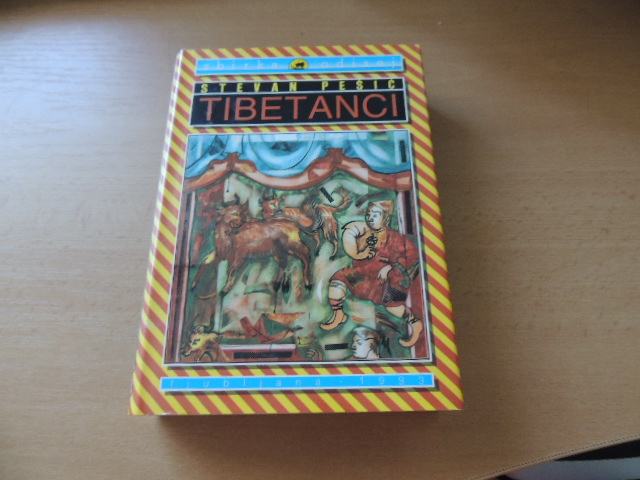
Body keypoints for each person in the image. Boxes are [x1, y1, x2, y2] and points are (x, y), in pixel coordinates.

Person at [320, 200, 424, 348]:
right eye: (368, 214)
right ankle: (338, 314)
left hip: (389, 277)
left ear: (385, 218)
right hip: (367, 273)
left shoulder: (395, 238)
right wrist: (360, 251)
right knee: (338, 278)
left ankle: (414, 322)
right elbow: (359, 256)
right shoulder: (366, 234)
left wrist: (391, 267)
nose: (370, 218)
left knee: (391, 305)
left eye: (375, 215)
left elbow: (411, 256)